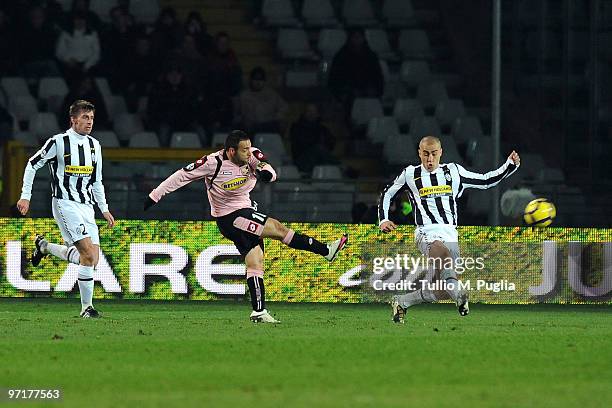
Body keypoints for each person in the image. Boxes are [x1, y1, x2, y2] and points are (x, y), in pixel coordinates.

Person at [144, 130, 348, 323]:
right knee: (278, 229)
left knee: (255, 261)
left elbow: (269, 170)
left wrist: (266, 173)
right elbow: (181, 176)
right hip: (229, 217)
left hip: (244, 210)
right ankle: (326, 250)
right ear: (231, 151)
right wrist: (155, 195)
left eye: (249, 148)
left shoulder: (252, 156)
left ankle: (259, 311)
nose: (248, 152)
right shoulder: (212, 163)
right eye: (244, 149)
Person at [378, 136, 520, 323]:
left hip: (451, 234)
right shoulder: (410, 173)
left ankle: (402, 302)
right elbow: (387, 193)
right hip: (426, 232)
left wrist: (509, 165)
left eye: (434, 154)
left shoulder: (453, 172)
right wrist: (384, 219)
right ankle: (460, 294)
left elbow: (485, 181)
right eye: (426, 154)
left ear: (441, 153)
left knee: (442, 290)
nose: (430, 159)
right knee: (443, 257)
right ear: (419, 153)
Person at [16, 100, 115, 318]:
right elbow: (32, 164)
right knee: (88, 255)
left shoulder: (94, 145)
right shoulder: (58, 143)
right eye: (85, 118)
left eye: (91, 118)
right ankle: (86, 308)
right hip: (64, 204)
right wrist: (25, 196)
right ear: (73, 119)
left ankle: (44, 247)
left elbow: (97, 181)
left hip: (87, 207)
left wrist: (104, 209)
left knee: (90, 259)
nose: (89, 122)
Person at [236, 67, 288, 134]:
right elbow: (238, 114)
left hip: (269, 124)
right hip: (251, 126)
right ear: (251, 80)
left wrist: (277, 117)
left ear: (264, 81)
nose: (258, 82)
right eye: (255, 79)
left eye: (261, 79)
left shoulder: (272, 94)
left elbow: (284, 107)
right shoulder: (244, 95)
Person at [289, 103, 338, 173]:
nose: (311, 114)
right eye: (309, 111)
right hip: (302, 160)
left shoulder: (322, 128)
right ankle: (342, 167)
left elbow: (331, 143)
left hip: (319, 158)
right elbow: (302, 144)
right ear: (304, 113)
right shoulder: (296, 127)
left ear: (318, 114)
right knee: (318, 149)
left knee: (321, 153)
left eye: (314, 112)